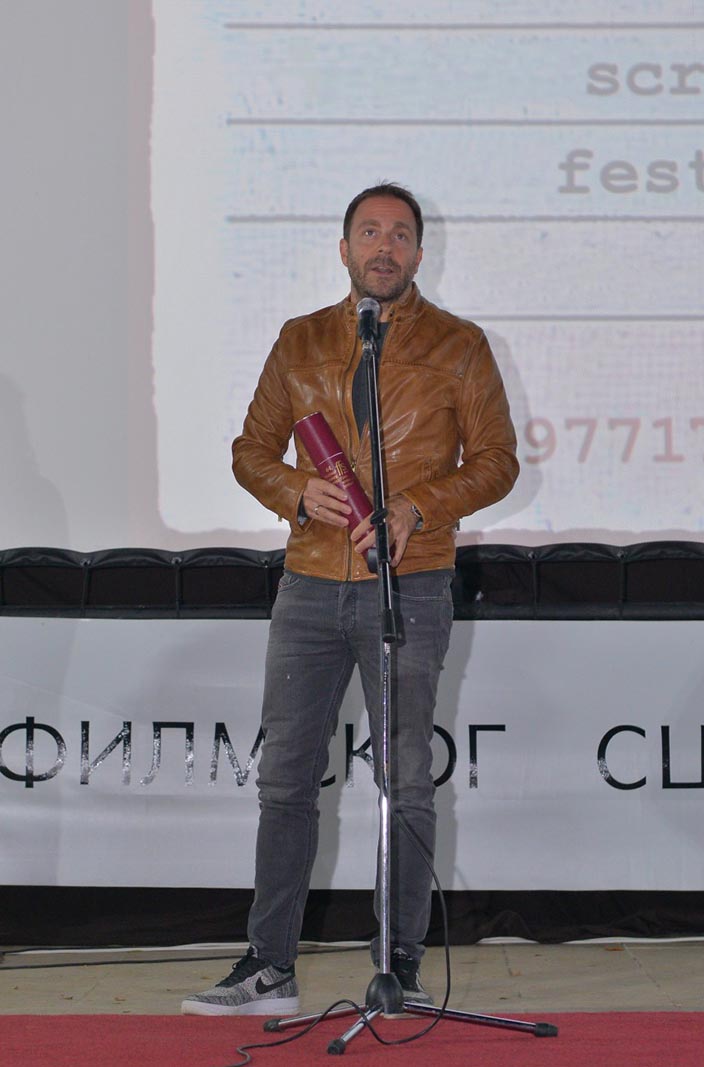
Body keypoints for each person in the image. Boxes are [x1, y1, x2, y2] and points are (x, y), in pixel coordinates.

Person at [181, 182, 519, 1016]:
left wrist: (416, 506)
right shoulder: (299, 340)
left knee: (405, 782)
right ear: (343, 249)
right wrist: (297, 490)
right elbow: (250, 450)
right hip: (308, 584)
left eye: (399, 234)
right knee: (284, 780)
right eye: (369, 232)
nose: (384, 246)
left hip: (411, 582)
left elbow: (497, 460)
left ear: (418, 253)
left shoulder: (460, 344)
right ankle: (269, 966)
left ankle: (398, 967)